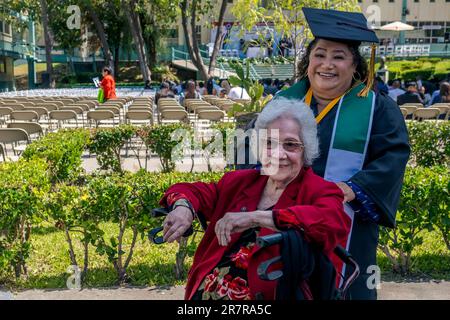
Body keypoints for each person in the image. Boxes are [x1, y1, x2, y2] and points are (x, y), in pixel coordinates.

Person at [272, 8, 410, 299]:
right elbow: (250, 158)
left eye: (338, 56)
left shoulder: (378, 109)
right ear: (308, 61)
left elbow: (393, 157)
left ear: (354, 65)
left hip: (347, 226)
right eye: (319, 55)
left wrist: (352, 189)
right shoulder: (281, 104)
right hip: (283, 223)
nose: (327, 64)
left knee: (346, 289)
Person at [160, 98, 351, 300]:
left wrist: (256, 218)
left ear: (306, 150)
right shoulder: (239, 182)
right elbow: (191, 191)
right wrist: (183, 207)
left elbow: (331, 223)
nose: (278, 154)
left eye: (290, 144)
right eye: (270, 143)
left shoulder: (321, 191)